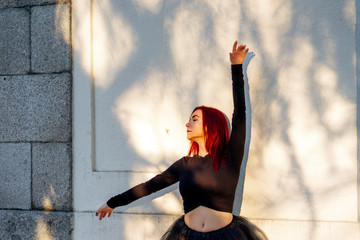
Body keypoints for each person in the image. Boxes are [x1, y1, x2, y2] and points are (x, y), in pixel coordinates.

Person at [96, 41, 268, 240]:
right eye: (189, 120)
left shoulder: (230, 157)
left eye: (194, 119)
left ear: (210, 125)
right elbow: (149, 186)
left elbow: (240, 114)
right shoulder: (184, 164)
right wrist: (113, 202)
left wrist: (236, 68)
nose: (187, 124)